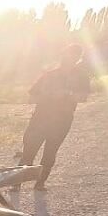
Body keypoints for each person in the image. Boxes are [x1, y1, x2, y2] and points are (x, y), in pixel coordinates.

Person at [19, 44, 90, 189]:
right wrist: (49, 95)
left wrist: (66, 94)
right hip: (40, 119)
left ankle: (40, 183)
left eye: (73, 56)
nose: (68, 58)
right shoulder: (49, 75)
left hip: (62, 120)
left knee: (50, 152)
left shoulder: (81, 76)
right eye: (66, 55)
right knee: (29, 151)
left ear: (78, 58)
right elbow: (31, 98)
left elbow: (83, 97)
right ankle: (17, 182)